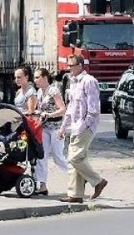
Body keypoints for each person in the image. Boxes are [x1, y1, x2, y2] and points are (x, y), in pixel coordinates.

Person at [58, 54, 107, 203]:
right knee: (75, 160)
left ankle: (98, 181)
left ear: (80, 65)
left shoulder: (89, 81)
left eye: (71, 65)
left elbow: (93, 109)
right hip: (75, 126)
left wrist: (84, 125)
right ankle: (75, 195)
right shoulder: (73, 82)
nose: (69, 68)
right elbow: (71, 107)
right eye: (68, 65)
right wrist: (63, 127)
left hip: (85, 126)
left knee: (75, 158)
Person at [33, 68, 69, 196]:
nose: (35, 80)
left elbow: (63, 109)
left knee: (58, 156)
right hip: (44, 128)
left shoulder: (53, 90)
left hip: (56, 128)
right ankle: (41, 185)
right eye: (35, 77)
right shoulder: (39, 92)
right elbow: (39, 109)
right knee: (41, 156)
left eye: (37, 77)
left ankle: (77, 176)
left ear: (45, 78)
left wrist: (49, 114)